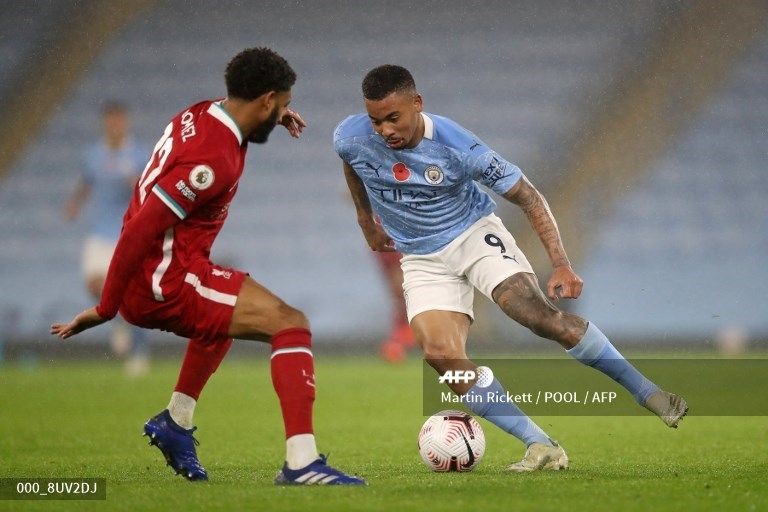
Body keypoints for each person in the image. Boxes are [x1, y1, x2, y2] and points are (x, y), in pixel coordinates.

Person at [334, 65, 688, 472]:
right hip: (420, 257)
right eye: (376, 120)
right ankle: (541, 445)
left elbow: (530, 198)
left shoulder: (460, 148)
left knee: (542, 320)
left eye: (393, 118)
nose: (384, 131)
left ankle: (649, 393)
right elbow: (352, 161)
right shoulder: (350, 135)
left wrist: (561, 264)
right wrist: (366, 221)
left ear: (417, 104)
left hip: (472, 236)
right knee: (439, 355)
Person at [52, 47, 364, 486]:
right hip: (165, 281)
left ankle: (176, 423)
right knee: (290, 324)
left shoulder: (202, 112)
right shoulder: (209, 158)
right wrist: (107, 308)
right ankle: (302, 464)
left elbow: (235, 120)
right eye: (283, 105)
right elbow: (141, 228)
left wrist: (276, 116)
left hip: (179, 265)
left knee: (223, 320)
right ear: (266, 98)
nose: (286, 114)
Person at [64, 101, 151, 376]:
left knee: (130, 293)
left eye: (119, 121)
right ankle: (120, 323)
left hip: (127, 231)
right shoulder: (94, 154)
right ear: (105, 123)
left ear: (125, 123)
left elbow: (149, 189)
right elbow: (87, 181)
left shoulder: (137, 154)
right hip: (99, 231)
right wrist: (75, 204)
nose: (114, 126)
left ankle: (138, 353)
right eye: (110, 121)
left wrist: (134, 182)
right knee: (94, 285)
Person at [373, 249, 415, 363]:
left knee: (405, 291)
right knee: (401, 293)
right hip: (392, 240)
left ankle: (406, 337)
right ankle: (403, 337)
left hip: (404, 240)